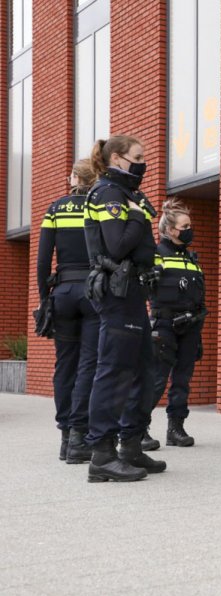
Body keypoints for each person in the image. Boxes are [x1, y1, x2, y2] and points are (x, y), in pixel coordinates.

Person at [82, 135, 166, 482]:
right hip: (118, 294)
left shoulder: (125, 193)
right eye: (138, 157)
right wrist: (136, 217)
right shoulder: (109, 194)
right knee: (114, 371)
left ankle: (130, 445)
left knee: (144, 370)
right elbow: (116, 246)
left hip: (133, 293)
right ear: (117, 158)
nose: (143, 163)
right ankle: (102, 456)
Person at [36, 159, 100, 464]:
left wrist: (43, 298)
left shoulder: (55, 209)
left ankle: (65, 438)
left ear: (74, 177)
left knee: (65, 365)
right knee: (88, 364)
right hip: (92, 292)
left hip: (62, 293)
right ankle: (78, 436)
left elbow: (42, 260)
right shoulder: (98, 206)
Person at [143, 199, 205, 450]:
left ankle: (176, 429)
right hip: (164, 324)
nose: (190, 230)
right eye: (185, 226)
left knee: (182, 379)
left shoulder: (191, 258)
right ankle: (138, 429)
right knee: (156, 379)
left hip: (191, 325)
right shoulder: (155, 255)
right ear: (170, 230)